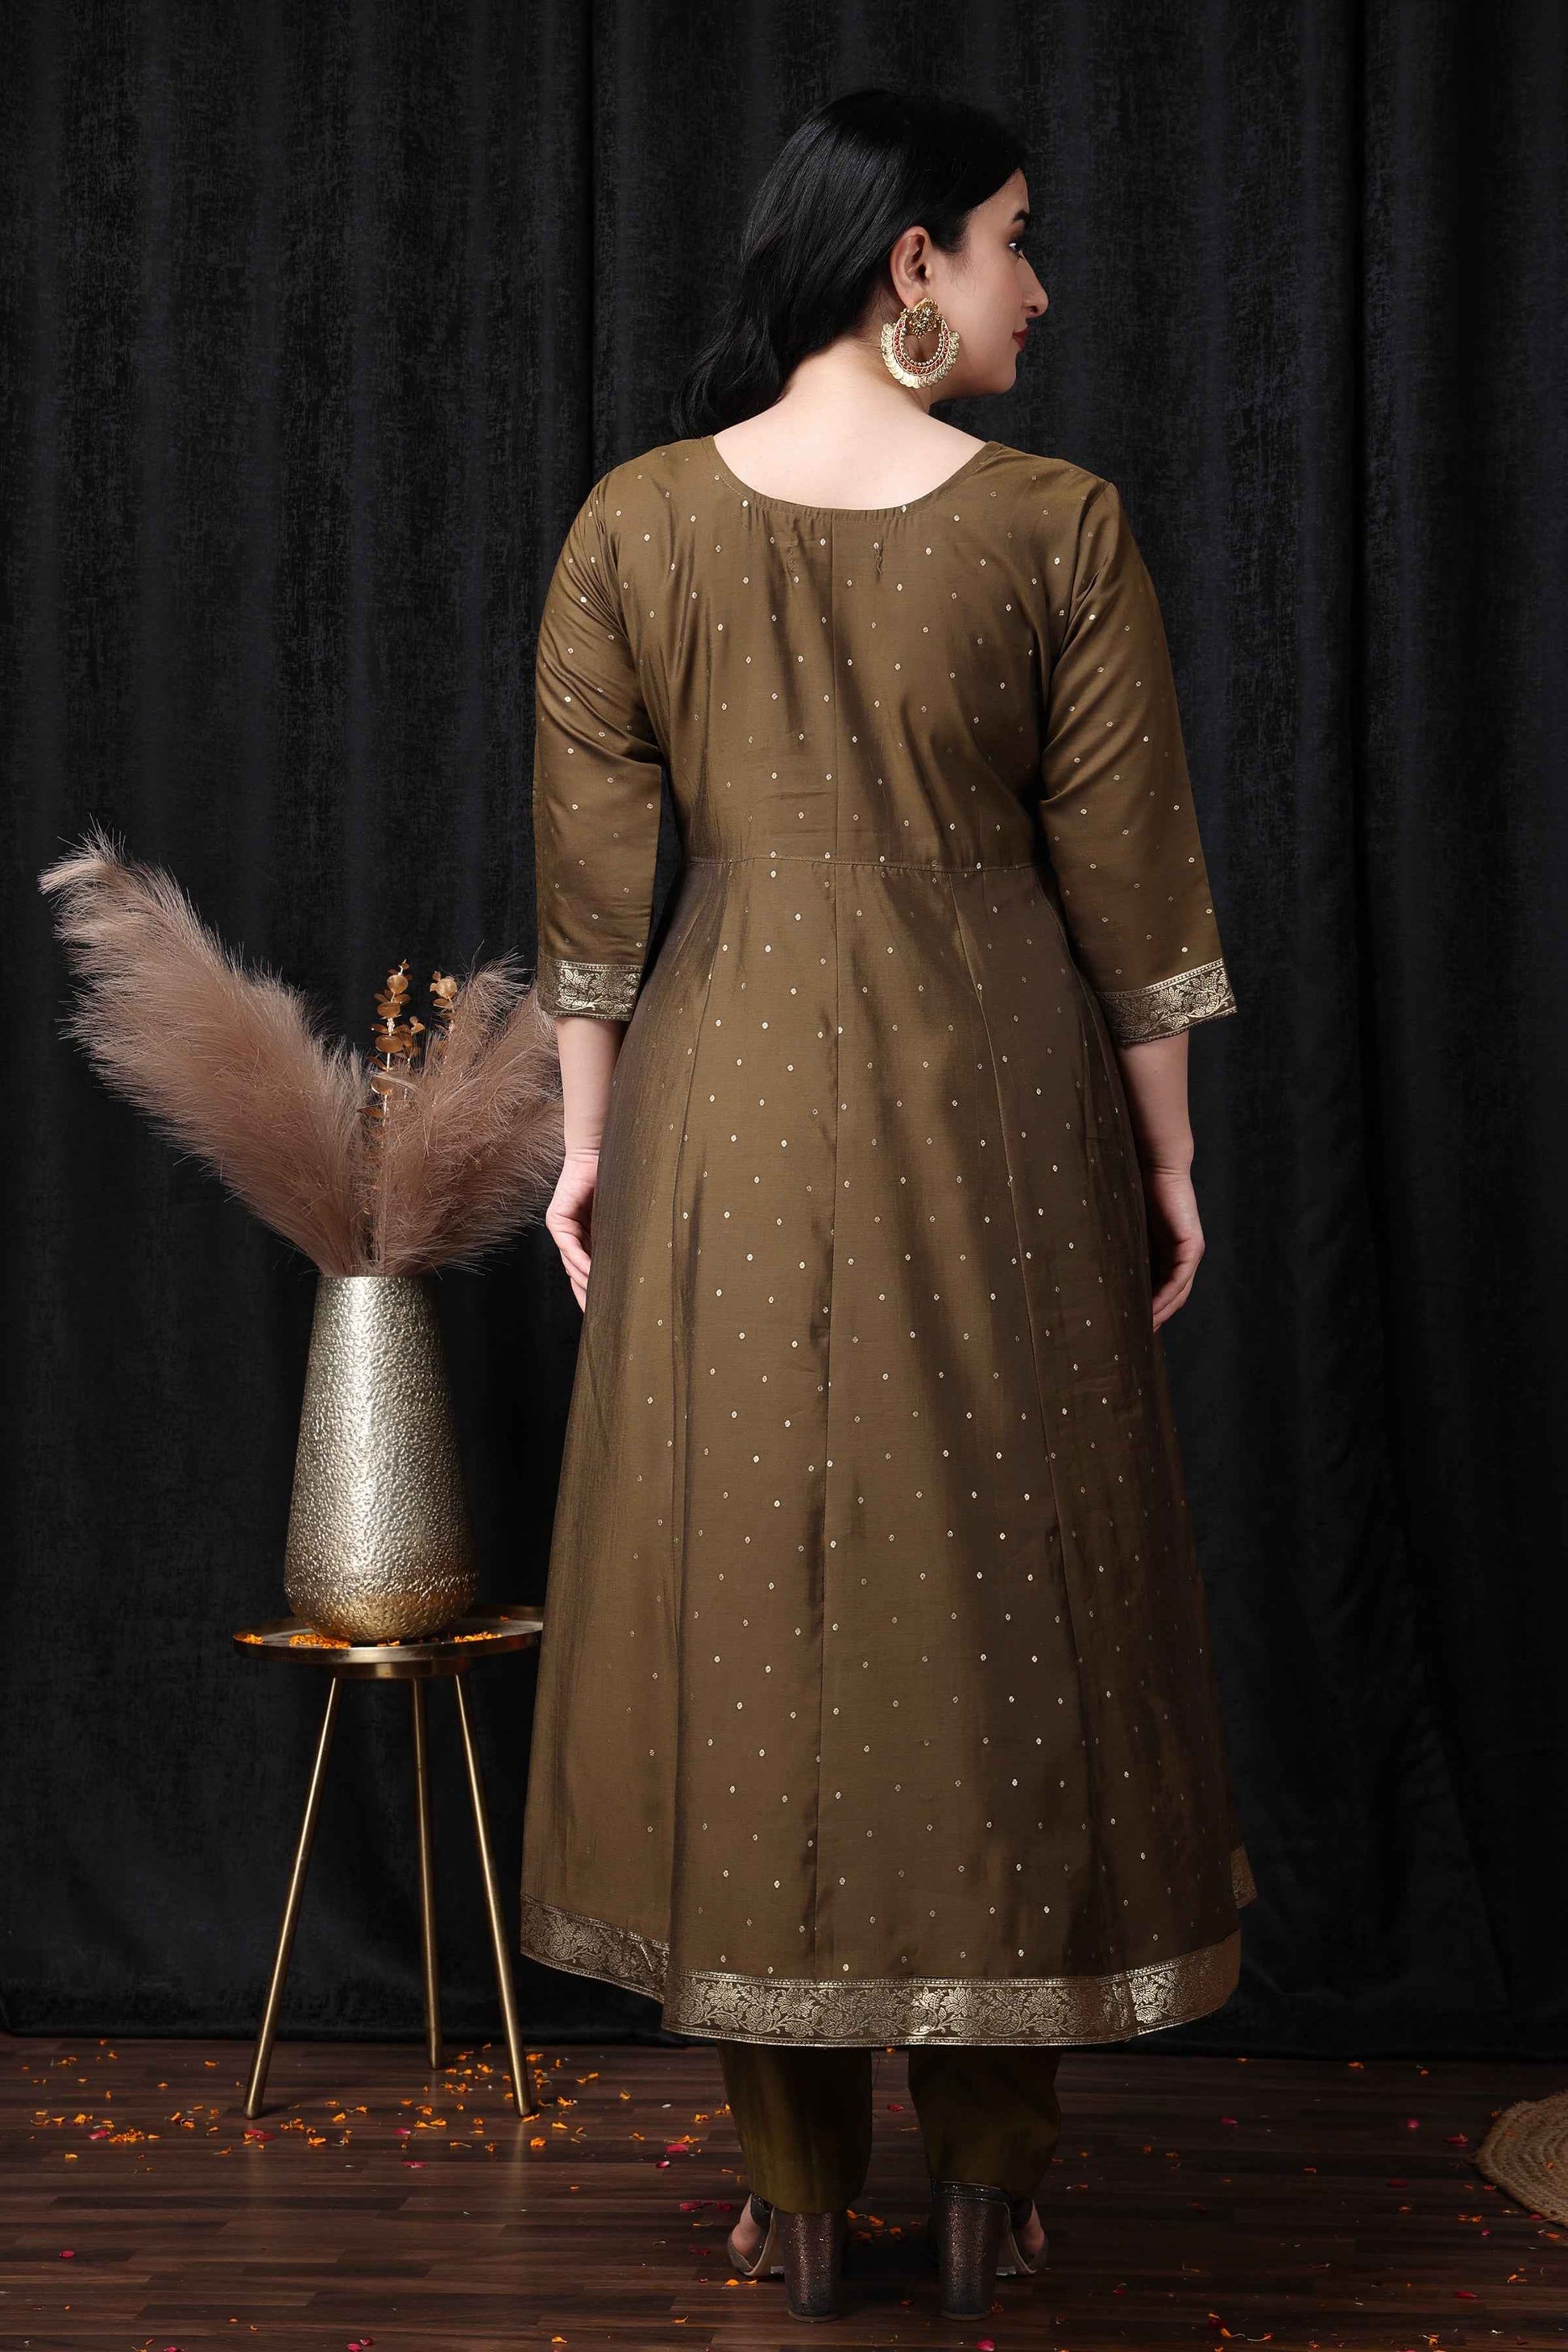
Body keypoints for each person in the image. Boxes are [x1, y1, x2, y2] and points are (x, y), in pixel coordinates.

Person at [520, 85, 1256, 2325]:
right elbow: (1129, 889)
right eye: (1015, 237)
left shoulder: (637, 524)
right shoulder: (1054, 528)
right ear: (910, 263)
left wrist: (586, 1142)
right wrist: (1167, 1153)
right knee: (1005, 1594)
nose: (1042, 283)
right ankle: (995, 2186)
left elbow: (589, 902)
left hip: (722, 1086)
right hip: (995, 1090)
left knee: (750, 1601)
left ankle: (795, 2195)